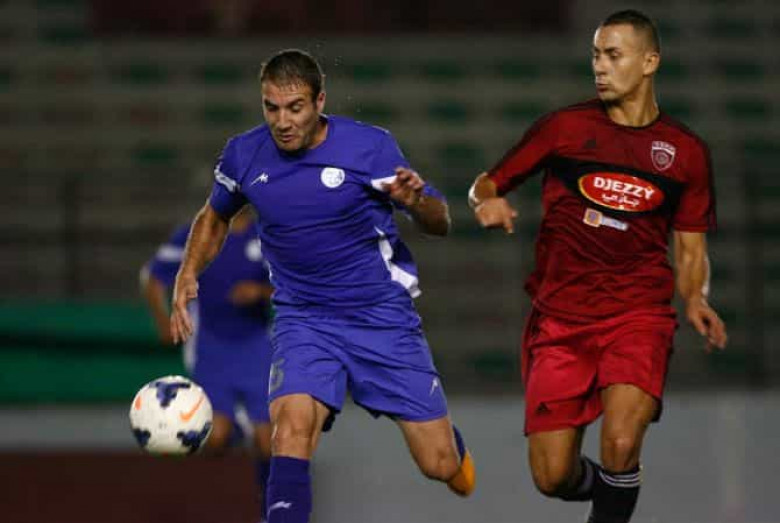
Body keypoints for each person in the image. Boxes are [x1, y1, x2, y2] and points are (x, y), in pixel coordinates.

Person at [169, 49, 476, 523]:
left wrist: (416, 203)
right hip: (304, 319)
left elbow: (441, 223)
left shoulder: (369, 148)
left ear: (320, 102)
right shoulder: (244, 154)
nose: (282, 121)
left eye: (295, 108)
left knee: (439, 465)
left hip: (381, 317)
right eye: (271, 107)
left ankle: (451, 448)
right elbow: (215, 216)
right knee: (289, 429)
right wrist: (188, 271)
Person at [468, 9, 728, 523]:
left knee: (622, 441)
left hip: (637, 317)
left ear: (650, 61)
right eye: (595, 56)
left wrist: (695, 298)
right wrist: (486, 202)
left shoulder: (685, 153)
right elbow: (486, 182)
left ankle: (614, 492)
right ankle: (611, 491)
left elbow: (690, 248)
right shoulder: (564, 129)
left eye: (613, 55)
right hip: (560, 321)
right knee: (552, 476)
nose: (600, 67)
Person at [141, 205, 274, 521]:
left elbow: (297, 285)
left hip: (257, 347)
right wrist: (162, 320)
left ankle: (271, 508)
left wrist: (260, 291)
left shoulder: (268, 235)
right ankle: (238, 426)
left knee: (269, 445)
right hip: (211, 348)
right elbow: (152, 278)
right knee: (214, 441)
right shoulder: (196, 234)